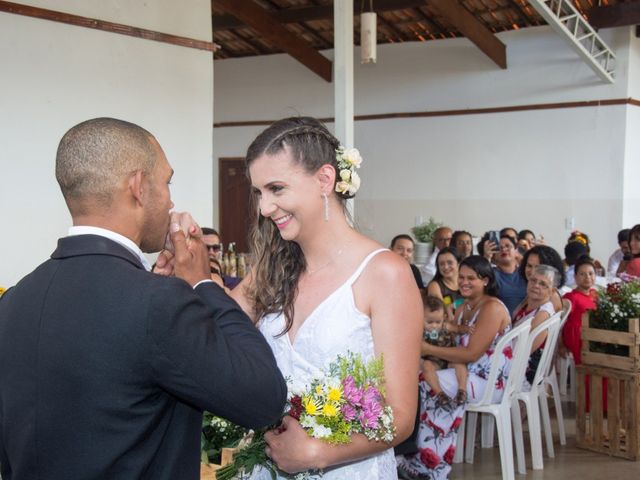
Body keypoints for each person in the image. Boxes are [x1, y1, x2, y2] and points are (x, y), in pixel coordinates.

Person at [0, 118, 287, 480]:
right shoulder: (157, 302)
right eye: (167, 183)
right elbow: (262, 397)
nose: (170, 200)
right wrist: (203, 285)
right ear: (137, 187)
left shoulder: (14, 302)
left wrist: (153, 287)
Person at [229, 117, 423, 479]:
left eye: (276, 188)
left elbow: (400, 417)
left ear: (324, 179)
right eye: (259, 193)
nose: (264, 208)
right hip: (263, 468)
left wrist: (316, 452)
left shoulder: (384, 274)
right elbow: (220, 334)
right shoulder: (269, 271)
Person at [396, 256, 512, 480]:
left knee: (420, 382)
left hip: (487, 381)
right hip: (467, 372)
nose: (464, 282)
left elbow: (471, 353)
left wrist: (425, 348)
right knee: (415, 376)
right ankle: (416, 458)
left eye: (472, 278)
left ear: (486, 280)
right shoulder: (465, 306)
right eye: (462, 277)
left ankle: (428, 466)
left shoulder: (492, 308)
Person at [420, 294, 470, 408]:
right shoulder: (420, 331)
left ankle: (462, 390)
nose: (434, 326)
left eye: (438, 322)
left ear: (444, 318)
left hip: (448, 360)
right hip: (434, 362)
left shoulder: (446, 326)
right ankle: (440, 394)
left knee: (460, 363)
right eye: (429, 322)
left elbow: (458, 328)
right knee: (427, 366)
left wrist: (466, 329)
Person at [512, 265, 559, 385]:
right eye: (533, 280)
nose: (536, 285)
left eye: (543, 284)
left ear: (552, 291)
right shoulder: (525, 304)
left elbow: (523, 351)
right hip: (512, 361)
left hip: (522, 372)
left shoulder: (543, 314)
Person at [560, 256, 598, 362]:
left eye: (591, 273)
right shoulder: (571, 297)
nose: (587, 277)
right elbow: (559, 322)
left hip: (593, 337)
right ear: (575, 277)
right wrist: (560, 345)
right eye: (582, 274)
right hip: (577, 340)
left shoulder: (595, 294)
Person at [519, 245, 566, 312]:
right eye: (529, 266)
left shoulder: (552, 297)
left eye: (538, 268)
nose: (532, 271)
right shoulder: (532, 290)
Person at [494, 234, 528, 316]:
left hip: (525, 323)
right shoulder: (492, 275)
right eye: (499, 248)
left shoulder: (526, 273)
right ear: (494, 255)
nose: (503, 249)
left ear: (516, 252)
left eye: (507, 246)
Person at [426, 247, 463, 319]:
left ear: (459, 263)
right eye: (441, 264)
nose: (446, 267)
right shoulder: (434, 286)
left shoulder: (466, 282)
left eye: (450, 263)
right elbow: (440, 314)